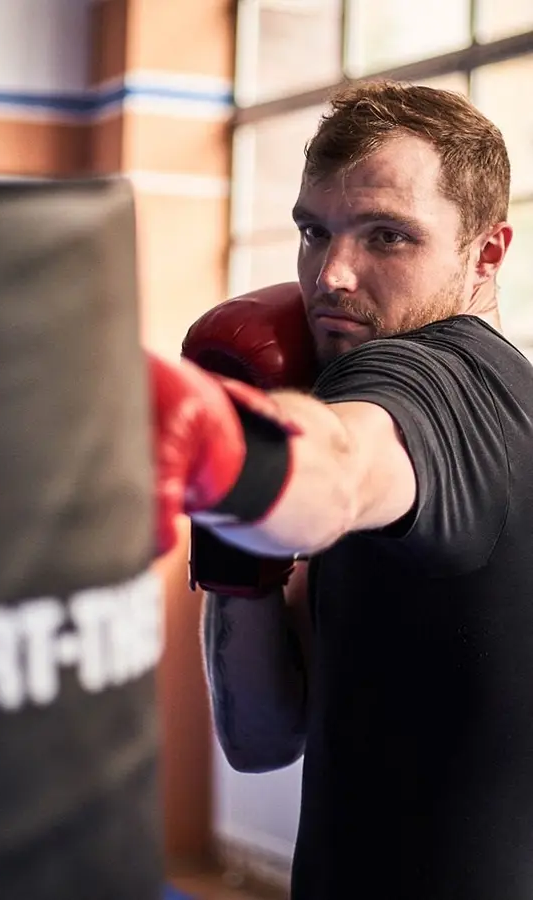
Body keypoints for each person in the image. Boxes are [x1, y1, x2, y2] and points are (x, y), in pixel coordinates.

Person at [151, 80, 533, 899]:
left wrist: (219, 444)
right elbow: (262, 735)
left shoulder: (429, 376)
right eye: (313, 230)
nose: (333, 275)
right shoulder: (510, 406)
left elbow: (341, 465)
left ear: (487, 253)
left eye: (388, 236)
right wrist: (235, 542)